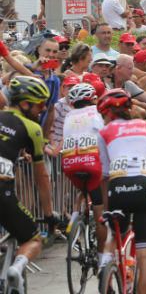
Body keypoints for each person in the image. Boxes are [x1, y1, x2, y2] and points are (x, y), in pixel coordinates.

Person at [97, 89, 146, 294]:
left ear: (108, 114)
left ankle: (105, 264)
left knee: (115, 235)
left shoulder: (104, 132)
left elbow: (104, 177)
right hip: (144, 187)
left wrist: (106, 209)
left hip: (117, 188)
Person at [0, 76, 57, 292]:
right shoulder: (32, 128)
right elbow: (41, 176)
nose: (42, 110)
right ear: (25, 103)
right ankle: (16, 269)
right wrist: (49, 215)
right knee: (33, 238)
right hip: (2, 192)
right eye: (40, 104)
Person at [60, 81, 108, 248]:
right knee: (99, 205)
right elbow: (104, 138)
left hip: (69, 164)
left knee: (82, 189)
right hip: (92, 164)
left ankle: (73, 220)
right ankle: (103, 253)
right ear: (93, 99)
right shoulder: (97, 112)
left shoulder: (68, 116)